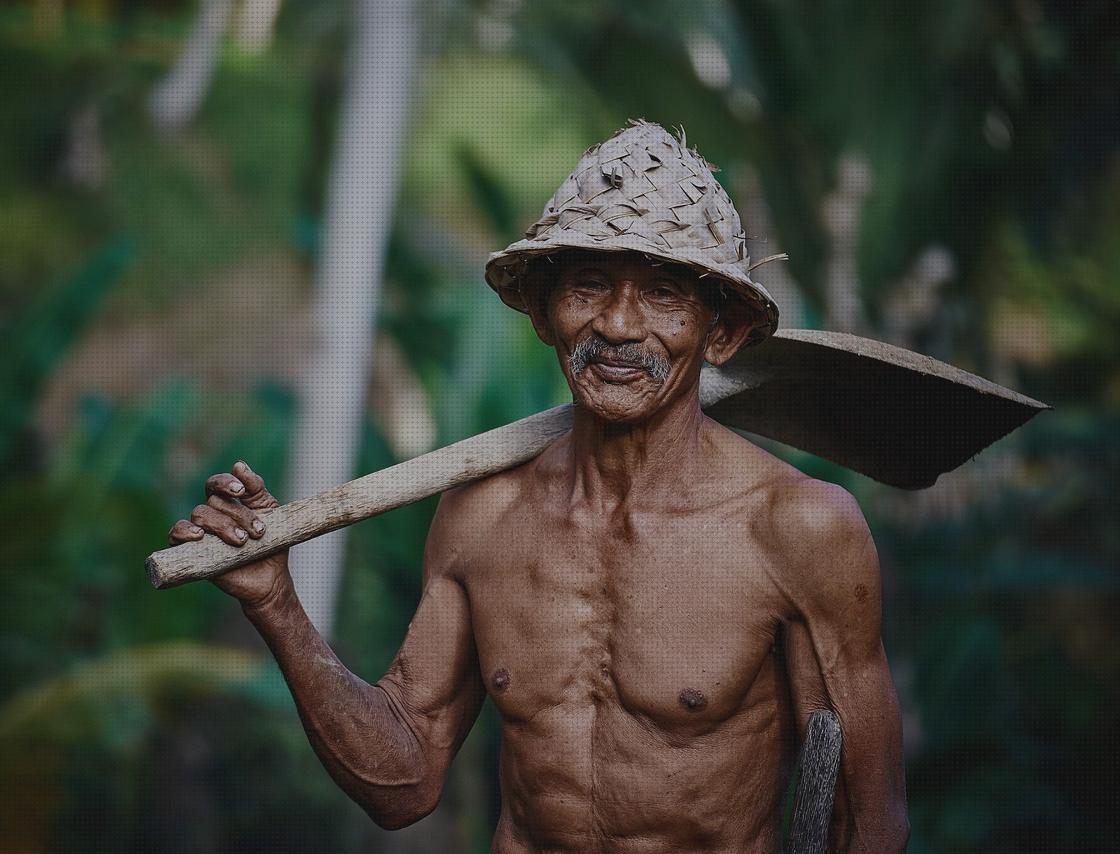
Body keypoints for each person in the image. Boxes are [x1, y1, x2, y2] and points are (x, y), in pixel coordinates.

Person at [167, 121, 909, 852]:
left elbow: (867, 823)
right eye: (589, 284)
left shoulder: (794, 529)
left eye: (662, 292)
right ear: (545, 315)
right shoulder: (484, 515)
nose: (617, 324)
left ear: (721, 334)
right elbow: (403, 781)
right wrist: (277, 606)